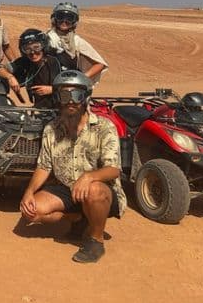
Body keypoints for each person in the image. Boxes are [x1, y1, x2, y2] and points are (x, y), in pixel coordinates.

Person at [19, 71, 125, 263]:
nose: (70, 101)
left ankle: (96, 240)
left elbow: (113, 169)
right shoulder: (52, 129)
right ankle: (77, 218)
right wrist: (29, 191)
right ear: (58, 98)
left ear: (85, 97)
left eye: (76, 95)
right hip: (66, 189)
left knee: (93, 190)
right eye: (64, 95)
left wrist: (89, 177)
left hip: (100, 191)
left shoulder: (104, 127)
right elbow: (44, 165)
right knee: (32, 212)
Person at [0, 29, 62, 108]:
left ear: (44, 45)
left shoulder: (57, 61)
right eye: (27, 49)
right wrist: (10, 77)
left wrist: (52, 89)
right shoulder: (26, 61)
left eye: (36, 47)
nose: (33, 52)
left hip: (62, 108)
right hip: (40, 109)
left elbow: (76, 86)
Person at [45, 2, 108, 84]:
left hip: (68, 87)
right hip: (45, 85)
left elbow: (99, 64)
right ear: (54, 18)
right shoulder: (45, 38)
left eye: (69, 18)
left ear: (74, 22)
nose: (64, 21)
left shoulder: (77, 41)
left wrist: (80, 79)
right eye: (60, 17)